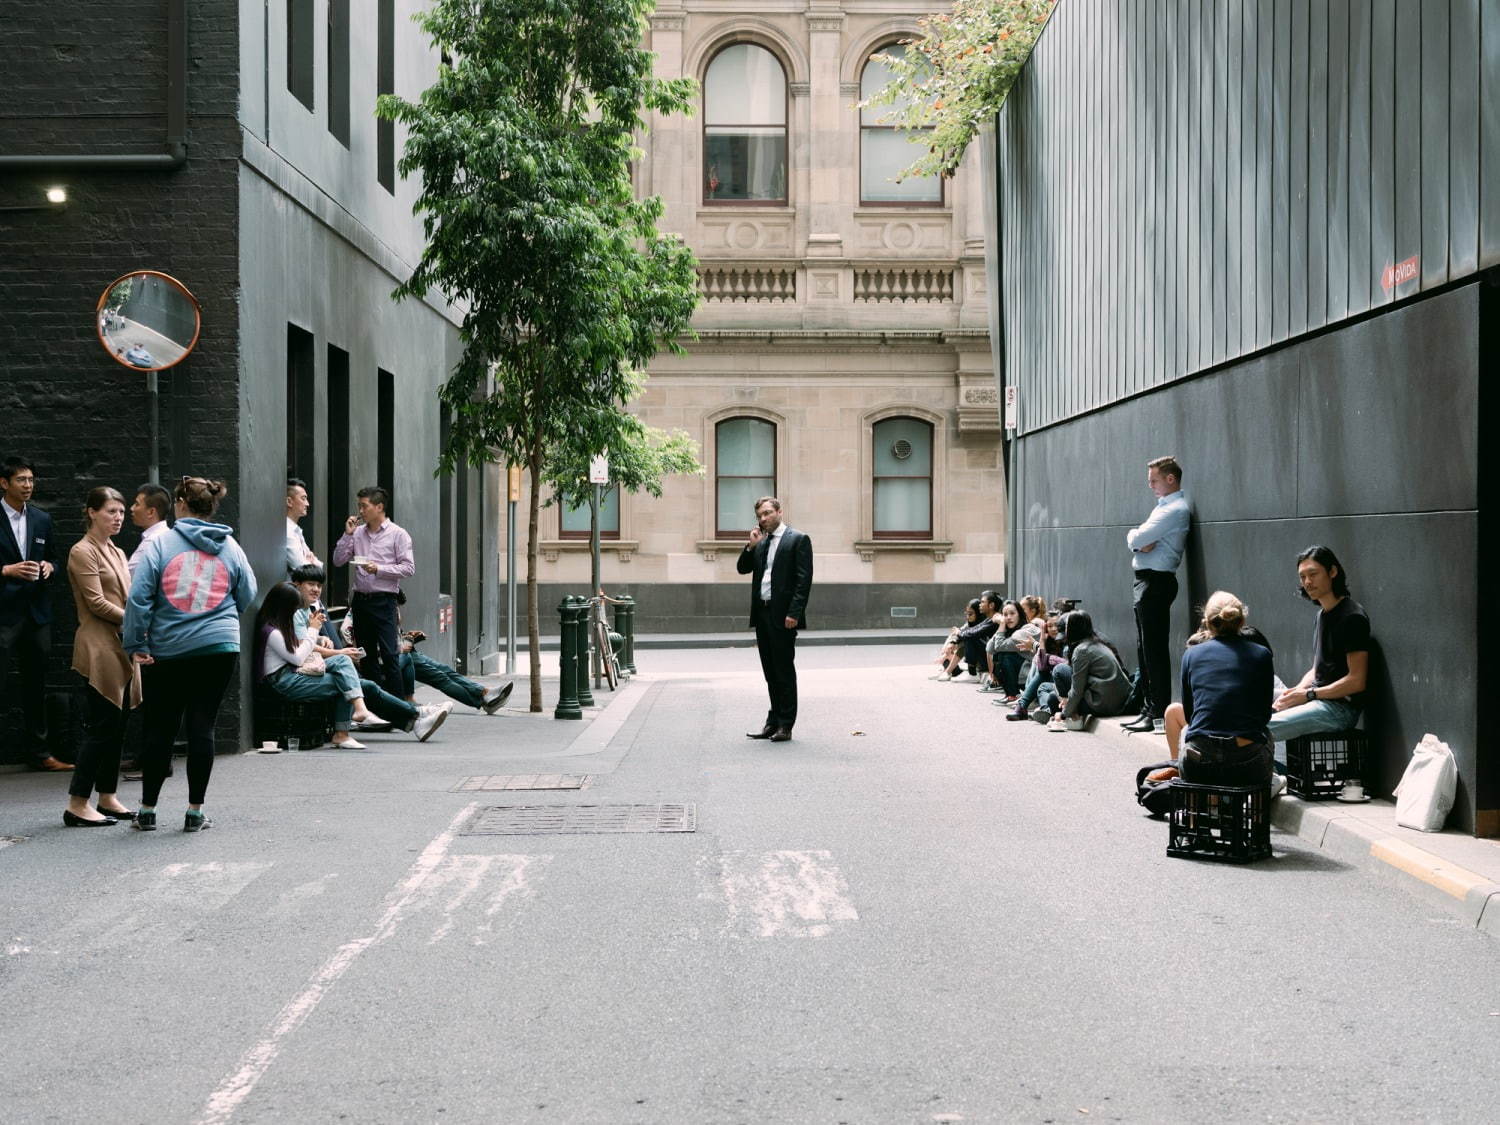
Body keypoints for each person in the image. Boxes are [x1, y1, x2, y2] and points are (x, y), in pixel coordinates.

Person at [123, 476, 258, 832]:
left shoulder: (161, 543)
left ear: (180, 503)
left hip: (169, 648)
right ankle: (195, 811)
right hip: (219, 647)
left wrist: (135, 643)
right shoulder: (229, 545)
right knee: (203, 725)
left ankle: (148, 809)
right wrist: (222, 617)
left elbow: (139, 598)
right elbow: (248, 591)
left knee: (160, 728)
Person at [285, 567, 451, 738]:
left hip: (311, 666)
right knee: (365, 682)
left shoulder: (307, 609)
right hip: (299, 673)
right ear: (297, 584)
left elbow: (306, 642)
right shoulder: (296, 612)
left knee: (376, 678)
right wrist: (337, 651)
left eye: (319, 585)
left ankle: (415, 718)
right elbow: (303, 647)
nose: (316, 589)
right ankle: (416, 714)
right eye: (310, 584)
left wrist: (321, 640)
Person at [62, 487, 143, 825]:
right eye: (111, 511)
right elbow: (95, 602)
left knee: (118, 725)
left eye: (122, 512)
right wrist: (136, 621)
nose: (118, 518)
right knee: (101, 726)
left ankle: (107, 796)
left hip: (121, 645)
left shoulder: (118, 552)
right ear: (91, 512)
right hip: (98, 646)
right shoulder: (82, 551)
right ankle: (77, 802)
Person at [1144, 593, 1274, 790]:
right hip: (1248, 765)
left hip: (1199, 763)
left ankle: (1190, 783)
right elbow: (1264, 716)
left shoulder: (1192, 654)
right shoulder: (1262, 654)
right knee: (1266, 736)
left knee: (1191, 733)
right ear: (1242, 620)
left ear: (1207, 622)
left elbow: (1190, 715)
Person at [1266, 545, 1370, 775]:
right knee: (1247, 704)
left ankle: (1278, 774)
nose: (1307, 582)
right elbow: (1317, 669)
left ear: (1333, 572)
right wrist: (1296, 691)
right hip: (1317, 698)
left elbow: (1357, 681)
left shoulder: (1352, 617)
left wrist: (1308, 695)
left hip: (1339, 710)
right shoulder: (1322, 614)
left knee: (1257, 729)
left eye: (1313, 574)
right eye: (1303, 577)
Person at [0, 457, 69, 771]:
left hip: (35, 614)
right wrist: (6, 569)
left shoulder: (42, 519)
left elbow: (54, 557)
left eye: (31, 480)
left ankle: (39, 753)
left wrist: (48, 567)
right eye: (21, 480)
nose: (28, 485)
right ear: (4, 483)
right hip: (3, 613)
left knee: (36, 683)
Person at [1122, 455, 1190, 734]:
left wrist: (1136, 539)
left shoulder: (1173, 510)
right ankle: (1150, 710)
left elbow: (1138, 540)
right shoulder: (1164, 508)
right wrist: (1139, 540)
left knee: (1153, 651)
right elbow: (1141, 542)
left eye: (1154, 480)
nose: (1150, 485)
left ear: (1170, 479)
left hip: (1156, 582)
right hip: (1149, 582)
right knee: (1145, 649)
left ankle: (1157, 712)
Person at [736, 496, 813, 742]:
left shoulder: (798, 539)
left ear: (779, 512)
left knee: (783, 671)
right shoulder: (761, 541)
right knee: (769, 671)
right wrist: (750, 546)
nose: (763, 519)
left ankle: (786, 725)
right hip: (762, 613)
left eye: (768, 513)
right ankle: (773, 720)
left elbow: (803, 581)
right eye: (760, 515)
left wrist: (794, 613)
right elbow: (742, 568)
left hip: (784, 616)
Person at [332, 486, 412, 700]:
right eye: (358, 506)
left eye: (364, 506)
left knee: (389, 654)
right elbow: (338, 560)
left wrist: (379, 568)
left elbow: (408, 568)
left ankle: (398, 707)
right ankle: (375, 707)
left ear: (379, 507)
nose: (360, 510)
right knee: (365, 656)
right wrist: (347, 535)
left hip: (384, 601)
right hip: (360, 601)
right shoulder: (357, 533)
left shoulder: (398, 534)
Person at [1043, 611, 1131, 732]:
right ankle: (1068, 714)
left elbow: (1077, 689)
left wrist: (1064, 714)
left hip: (1101, 703)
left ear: (1072, 629)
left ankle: (1070, 719)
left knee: (1059, 671)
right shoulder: (1098, 643)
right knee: (1053, 697)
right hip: (1118, 702)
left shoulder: (1082, 650)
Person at [1002, 614, 1066, 719]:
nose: (1054, 629)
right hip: (1052, 684)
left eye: (1057, 626)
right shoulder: (1048, 642)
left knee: (1043, 675)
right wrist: (1041, 642)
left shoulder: (1066, 643)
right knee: (1042, 674)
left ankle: (1024, 706)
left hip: (1065, 683)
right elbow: (1042, 666)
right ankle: (1041, 710)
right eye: (1050, 626)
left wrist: (1036, 646)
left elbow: (1062, 666)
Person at [982, 599, 1038, 697]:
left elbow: (998, 646)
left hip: (1032, 677)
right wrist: (1001, 627)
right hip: (1022, 675)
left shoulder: (1025, 630)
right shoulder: (1009, 631)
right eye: (1005, 615)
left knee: (1005, 655)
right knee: (1000, 655)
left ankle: (1013, 695)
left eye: (1012, 613)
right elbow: (990, 648)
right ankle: (1010, 695)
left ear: (1019, 614)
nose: (1008, 617)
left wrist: (1002, 624)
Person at [127, 483, 172, 581]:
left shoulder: (152, 541)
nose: (132, 508)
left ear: (151, 512)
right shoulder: (168, 536)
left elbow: (128, 577)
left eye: (137, 504)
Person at [285, 478, 321, 575]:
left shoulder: (295, 530)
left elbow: (319, 565)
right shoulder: (287, 531)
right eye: (303, 498)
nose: (307, 503)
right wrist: (311, 562)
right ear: (289, 501)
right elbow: (300, 566)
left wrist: (311, 563)